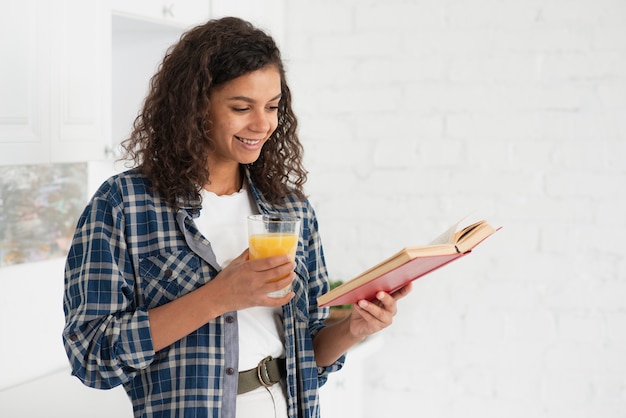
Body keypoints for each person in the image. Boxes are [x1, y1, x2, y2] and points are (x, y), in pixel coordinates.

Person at [62, 16, 411, 418]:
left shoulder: (290, 209)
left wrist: (353, 329)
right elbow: (90, 355)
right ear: (194, 107)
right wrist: (217, 297)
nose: (262, 125)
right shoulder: (125, 204)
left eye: (272, 106)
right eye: (242, 107)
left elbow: (309, 354)